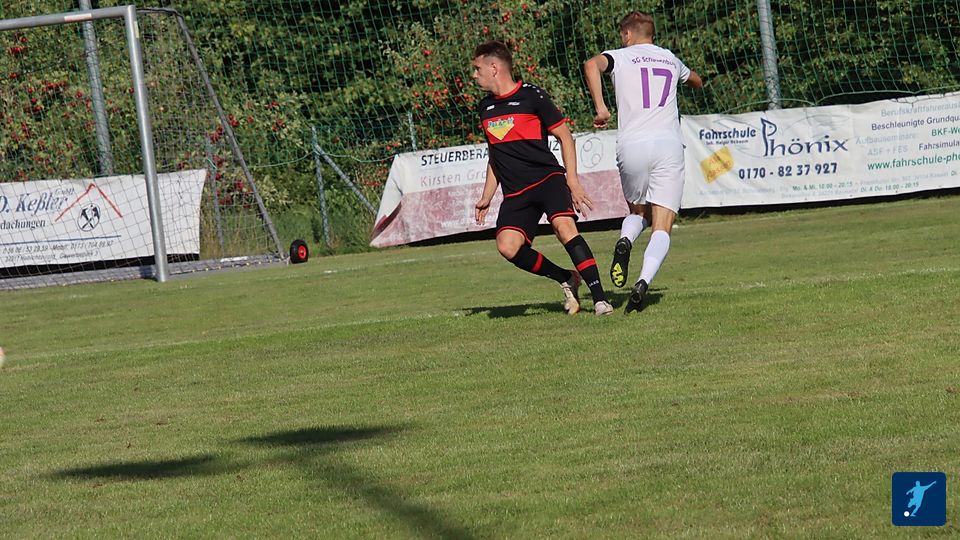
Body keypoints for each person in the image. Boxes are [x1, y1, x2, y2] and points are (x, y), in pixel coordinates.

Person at [472, 41, 613, 316]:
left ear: (494, 67)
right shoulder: (485, 107)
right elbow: (495, 155)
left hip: (547, 179)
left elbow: (565, 138)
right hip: (516, 192)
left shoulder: (532, 96)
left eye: (477, 69)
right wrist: (487, 196)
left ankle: (600, 299)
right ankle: (566, 277)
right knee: (507, 246)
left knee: (564, 228)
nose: (474, 75)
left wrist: (572, 181)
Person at [583, 11, 703, 313]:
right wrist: (693, 82)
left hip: (632, 144)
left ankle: (625, 239)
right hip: (668, 145)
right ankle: (643, 283)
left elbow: (591, 65)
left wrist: (601, 107)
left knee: (638, 211)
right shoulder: (669, 58)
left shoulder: (619, 56)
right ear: (652, 34)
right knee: (662, 225)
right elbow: (696, 80)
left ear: (627, 35)